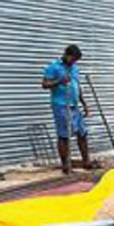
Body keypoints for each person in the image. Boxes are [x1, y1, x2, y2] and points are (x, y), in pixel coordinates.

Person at [42, 45, 92, 174]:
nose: (74, 62)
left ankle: (86, 161)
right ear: (66, 55)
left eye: (76, 60)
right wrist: (59, 81)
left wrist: (84, 103)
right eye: (73, 59)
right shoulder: (53, 67)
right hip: (61, 105)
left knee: (82, 133)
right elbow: (45, 84)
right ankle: (65, 165)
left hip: (74, 105)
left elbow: (77, 86)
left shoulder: (75, 68)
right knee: (64, 135)